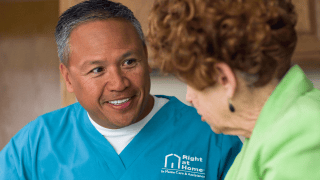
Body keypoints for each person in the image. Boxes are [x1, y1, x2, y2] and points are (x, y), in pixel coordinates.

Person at [0, 0, 242, 179]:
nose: (119, 84)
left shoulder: (212, 133)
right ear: (68, 78)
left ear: (146, 59)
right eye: (97, 70)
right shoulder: (34, 146)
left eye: (129, 62)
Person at [147, 0, 320, 179]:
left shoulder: (301, 136)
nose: (189, 97)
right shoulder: (265, 132)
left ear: (225, 79)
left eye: (192, 84)